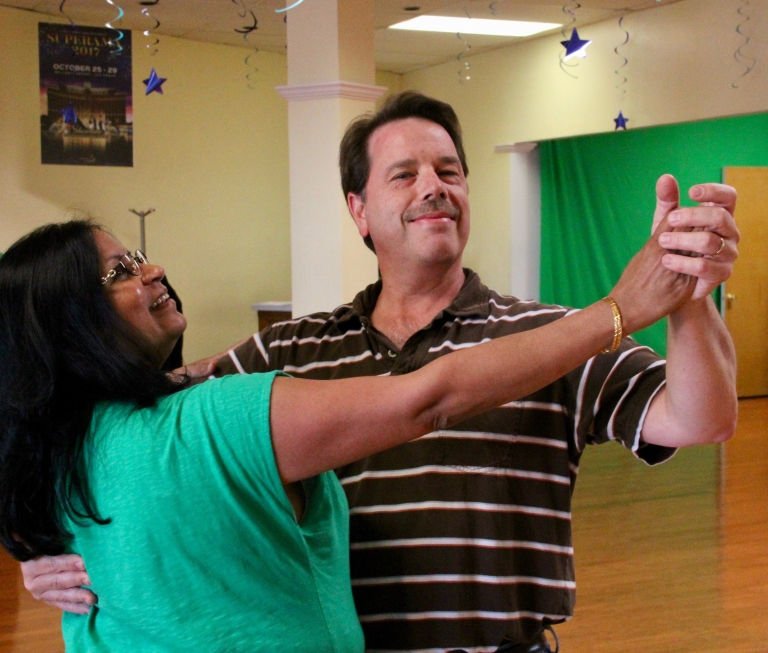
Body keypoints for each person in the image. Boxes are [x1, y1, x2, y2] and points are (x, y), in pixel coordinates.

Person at [21, 92, 739, 652]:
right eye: (406, 174)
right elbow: (130, 427)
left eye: (450, 171)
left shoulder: (545, 336)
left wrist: (687, 299)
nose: (434, 187)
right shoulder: (288, 351)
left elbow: (701, 417)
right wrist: (45, 547)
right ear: (359, 210)